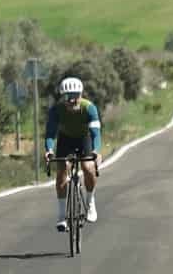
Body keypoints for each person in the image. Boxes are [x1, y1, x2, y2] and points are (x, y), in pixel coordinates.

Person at [43, 75, 101, 230]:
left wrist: (96, 150)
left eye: (76, 96)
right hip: (65, 140)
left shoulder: (89, 108)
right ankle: (62, 216)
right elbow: (50, 134)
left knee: (88, 168)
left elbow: (95, 133)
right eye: (69, 96)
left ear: (81, 95)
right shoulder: (56, 110)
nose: (72, 100)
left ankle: (90, 202)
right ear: (63, 97)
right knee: (62, 171)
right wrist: (48, 150)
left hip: (84, 139)